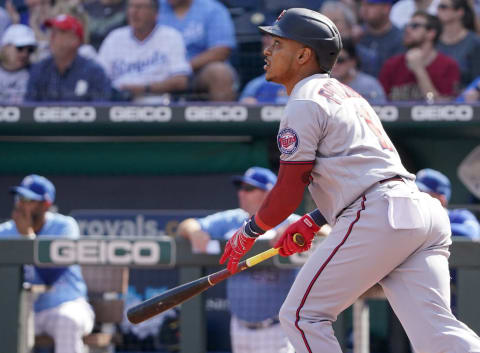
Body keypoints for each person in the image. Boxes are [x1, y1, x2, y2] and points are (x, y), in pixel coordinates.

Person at [219, 8, 480, 353]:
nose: (267, 49)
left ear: (303, 55)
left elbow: (286, 191)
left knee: (301, 316)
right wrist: (314, 220)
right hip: (417, 211)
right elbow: (362, 171)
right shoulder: (346, 94)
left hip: (379, 213)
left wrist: (248, 232)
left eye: (278, 43)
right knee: (438, 334)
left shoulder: (304, 101)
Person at [177, 167, 302, 353]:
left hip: (276, 328)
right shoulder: (234, 219)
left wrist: (297, 231)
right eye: (240, 187)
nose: (241, 193)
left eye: (249, 189)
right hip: (239, 325)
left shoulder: (289, 220)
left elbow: (327, 232)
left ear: (270, 193)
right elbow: (186, 225)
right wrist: (195, 232)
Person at [0, 174, 94, 353]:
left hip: (63, 305)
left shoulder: (64, 226)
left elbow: (49, 276)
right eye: (19, 198)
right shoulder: (5, 231)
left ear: (46, 205)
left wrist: (27, 237)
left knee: (68, 320)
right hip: (21, 311)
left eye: (28, 200)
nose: (21, 205)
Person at [98, 0, 191, 104]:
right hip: (117, 104)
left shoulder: (171, 37)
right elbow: (98, 78)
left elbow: (181, 81)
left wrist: (144, 89)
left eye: (140, 7)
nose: (133, 12)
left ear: (155, 13)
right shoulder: (114, 37)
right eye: (131, 7)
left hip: (159, 104)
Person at [157, 0, 237, 101]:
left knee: (220, 73)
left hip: (197, 71)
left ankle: (222, 116)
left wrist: (182, 68)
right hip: (158, 69)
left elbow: (221, 50)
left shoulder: (212, 9)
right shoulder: (153, 6)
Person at [24, 14, 111, 102]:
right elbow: (28, 108)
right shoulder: (39, 69)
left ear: (75, 40)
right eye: (52, 31)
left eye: (61, 32)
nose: (52, 36)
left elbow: (101, 110)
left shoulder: (94, 73)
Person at [379, 11, 460, 101]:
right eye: (407, 26)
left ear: (431, 33)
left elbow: (444, 108)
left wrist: (419, 70)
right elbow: (381, 103)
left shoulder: (448, 65)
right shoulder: (391, 64)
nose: (407, 30)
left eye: (415, 26)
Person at [416, 168, 480, 239]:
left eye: (423, 193)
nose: (417, 197)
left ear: (441, 199)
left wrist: (431, 229)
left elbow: (472, 233)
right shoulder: (412, 217)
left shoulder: (459, 216)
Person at [436, 0, 480, 88]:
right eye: (438, 7)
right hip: (434, 96)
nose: (439, 10)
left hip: (464, 98)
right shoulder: (432, 39)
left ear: (459, 12)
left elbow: (477, 77)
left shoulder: (474, 42)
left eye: (444, 7)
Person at [358, 0, 404, 78]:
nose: (364, 9)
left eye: (371, 5)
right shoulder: (356, 35)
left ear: (386, 8)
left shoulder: (400, 38)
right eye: (362, 5)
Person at [330, 38, 386, 102]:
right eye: (330, 60)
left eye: (340, 60)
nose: (335, 65)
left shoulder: (369, 85)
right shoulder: (320, 84)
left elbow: (381, 110)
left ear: (353, 62)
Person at [239, 35, 288, 104]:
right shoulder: (255, 85)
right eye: (264, 36)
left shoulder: (301, 83)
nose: (265, 39)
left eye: (271, 36)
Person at [0, 24, 37, 103]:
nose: (25, 54)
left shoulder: (36, 74)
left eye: (30, 50)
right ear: (5, 47)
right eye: (20, 48)